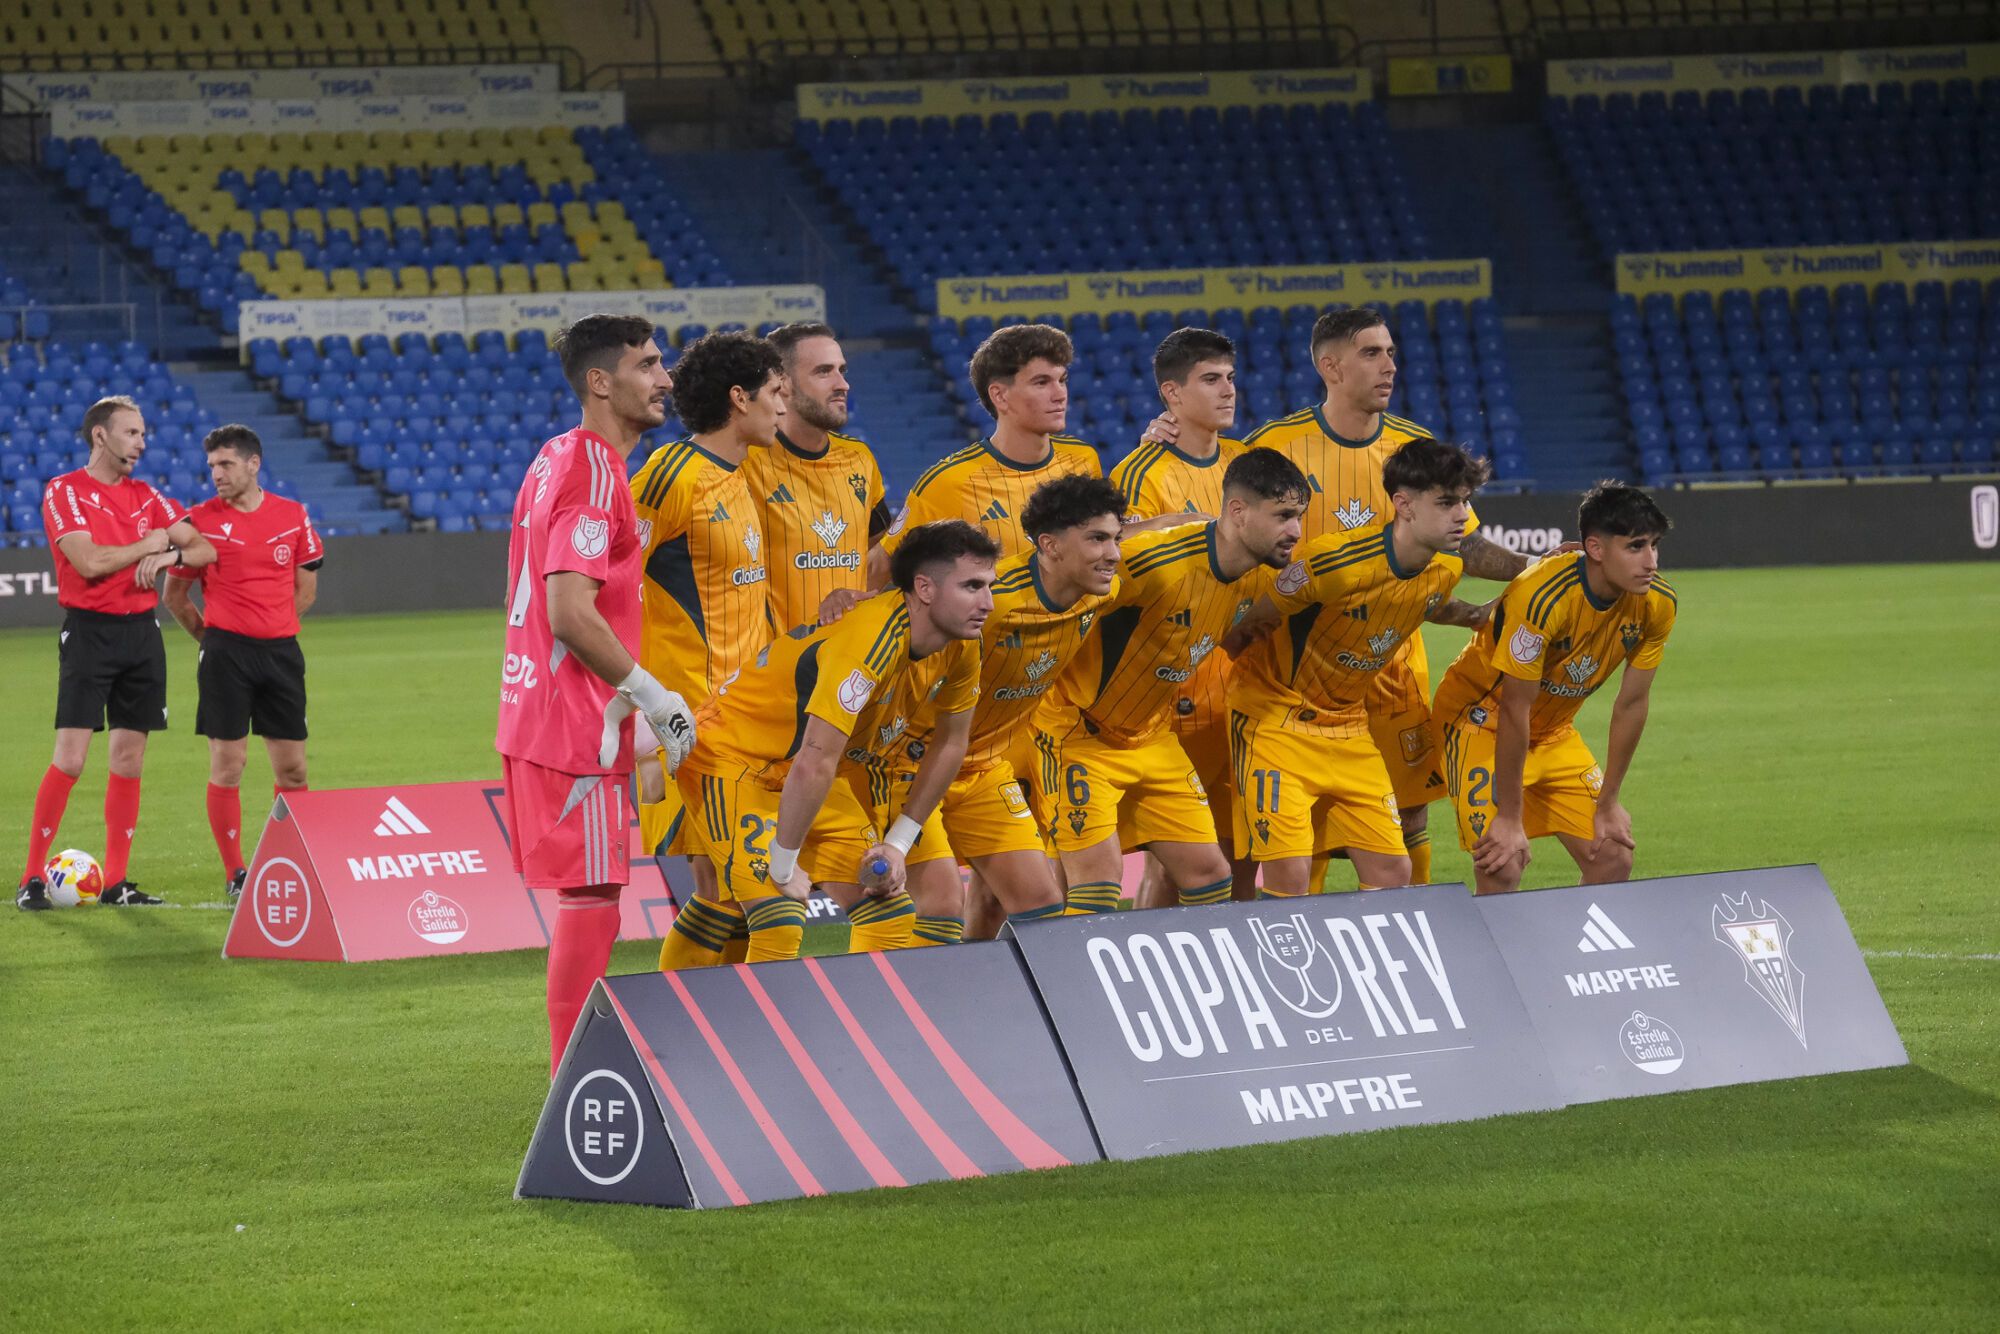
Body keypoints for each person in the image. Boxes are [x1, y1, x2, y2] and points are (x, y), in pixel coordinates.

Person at [1229, 306, 1540, 887]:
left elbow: (1466, 549)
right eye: (1371, 353)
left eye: (1391, 352)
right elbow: (1224, 510)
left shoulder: (1411, 447)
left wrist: (1538, 567)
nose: (1389, 365)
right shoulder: (1275, 444)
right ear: (1330, 365)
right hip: (1293, 668)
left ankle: (1406, 929)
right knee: (1298, 830)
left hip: (1391, 664)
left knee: (1409, 817)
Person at [495, 314, 697, 1073]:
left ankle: (575, 1074)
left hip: (550, 710)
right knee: (591, 899)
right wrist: (651, 693)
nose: (665, 378)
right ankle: (569, 1084)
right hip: (574, 722)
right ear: (601, 381)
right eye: (648, 364)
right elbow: (570, 610)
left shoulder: (558, 456)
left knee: (593, 895)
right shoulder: (592, 470)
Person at [668, 521, 994, 965]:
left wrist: (897, 843)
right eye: (972, 586)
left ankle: (870, 1031)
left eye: (988, 586)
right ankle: (739, 1035)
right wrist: (783, 866)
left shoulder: (962, 643)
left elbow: (951, 743)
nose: (988, 603)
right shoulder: (868, 640)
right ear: (925, 588)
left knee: (889, 910)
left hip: (806, 772)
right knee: (778, 915)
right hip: (733, 758)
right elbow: (815, 759)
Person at [1033, 447, 1304, 915]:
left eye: (1298, 516)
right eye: (1283, 516)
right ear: (1237, 513)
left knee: (1210, 878)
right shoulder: (1152, 562)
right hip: (1078, 735)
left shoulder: (1254, 579)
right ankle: (1043, 980)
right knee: (1094, 891)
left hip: (1153, 737)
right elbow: (1057, 584)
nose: (1295, 531)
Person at [1225, 439, 1494, 897]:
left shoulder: (1445, 567)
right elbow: (1251, 619)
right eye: (1447, 502)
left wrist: (1476, 613)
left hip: (1350, 728)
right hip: (1276, 724)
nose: (1462, 516)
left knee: (1393, 872)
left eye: (1465, 502)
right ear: (1403, 505)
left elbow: (1426, 601)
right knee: (1289, 875)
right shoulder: (1335, 563)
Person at [880, 476, 1125, 946]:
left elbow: (1156, 536)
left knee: (1043, 907)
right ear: (1050, 546)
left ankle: (1001, 1010)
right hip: (909, 764)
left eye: (1115, 537)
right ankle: (912, 1014)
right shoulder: (990, 599)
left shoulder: (1103, 588)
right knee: (939, 905)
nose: (1113, 552)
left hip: (983, 768)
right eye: (1098, 538)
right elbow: (900, 618)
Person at [1431, 481, 1678, 895]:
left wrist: (1609, 801)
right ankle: (1496, 959)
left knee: (1613, 853)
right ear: (1595, 549)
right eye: (1635, 547)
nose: (1651, 561)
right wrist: (1510, 818)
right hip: (1479, 721)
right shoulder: (1544, 598)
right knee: (1502, 859)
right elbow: (1514, 708)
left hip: (1553, 732)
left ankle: (1578, 958)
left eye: (1654, 545)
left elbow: (1632, 703)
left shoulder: (1658, 603)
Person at [18, 395, 215, 910]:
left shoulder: (148, 496)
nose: (142, 443)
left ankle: (117, 883)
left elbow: (203, 547)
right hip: (89, 635)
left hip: (141, 636)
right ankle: (31, 878)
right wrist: (146, 546)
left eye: (144, 434)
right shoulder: (64, 492)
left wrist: (169, 550)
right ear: (100, 436)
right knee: (72, 758)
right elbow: (87, 562)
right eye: (132, 433)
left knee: (129, 760)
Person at [626, 331, 784, 969]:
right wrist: (638, 712)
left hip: (745, 721)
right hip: (689, 724)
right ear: (739, 397)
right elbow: (607, 587)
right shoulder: (670, 475)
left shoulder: (740, 474)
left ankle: (713, 1038)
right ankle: (681, 1038)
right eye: (776, 392)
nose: (783, 406)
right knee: (744, 892)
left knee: (727, 894)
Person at [1111, 327, 1250, 905]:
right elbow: (1119, 565)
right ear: (1171, 394)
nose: (1228, 390)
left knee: (1240, 848)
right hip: (1173, 690)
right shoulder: (1141, 473)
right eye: (1210, 379)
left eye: (1231, 377)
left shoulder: (1247, 463)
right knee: (1174, 862)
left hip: (1241, 685)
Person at [161, 425, 325, 899]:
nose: (217, 473)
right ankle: (236, 874)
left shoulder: (292, 515)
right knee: (229, 764)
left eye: (226, 464)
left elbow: (306, 588)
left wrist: (271, 626)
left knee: (293, 770)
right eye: (212, 465)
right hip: (225, 656)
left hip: (281, 655)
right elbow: (175, 594)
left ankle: (291, 863)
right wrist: (211, 639)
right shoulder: (199, 521)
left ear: (254, 464)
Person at [877, 323, 1100, 568]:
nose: (1060, 394)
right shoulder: (948, 484)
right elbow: (880, 572)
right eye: (1041, 382)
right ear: (1000, 396)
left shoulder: (1083, 459)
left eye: (1062, 380)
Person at [745, 322, 889, 631]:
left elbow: (879, 550)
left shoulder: (860, 460)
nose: (842, 384)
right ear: (783, 382)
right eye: (824, 372)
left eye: (842, 370)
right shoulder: (744, 463)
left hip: (847, 663)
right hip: (773, 668)